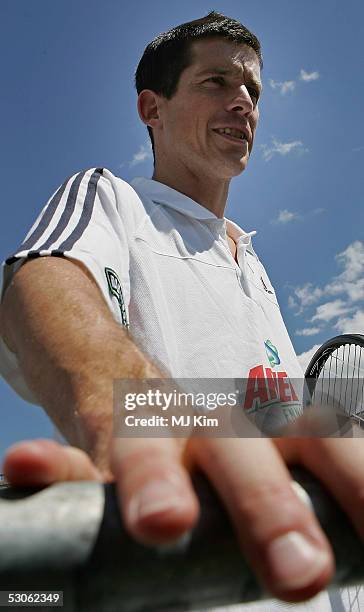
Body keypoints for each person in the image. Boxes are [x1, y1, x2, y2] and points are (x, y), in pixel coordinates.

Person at [0, 11, 363, 605]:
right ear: (153, 109)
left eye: (252, 90)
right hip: (172, 575)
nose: (243, 102)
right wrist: (145, 415)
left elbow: (263, 413)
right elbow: (42, 282)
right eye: (215, 82)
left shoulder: (257, 267)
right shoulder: (111, 199)